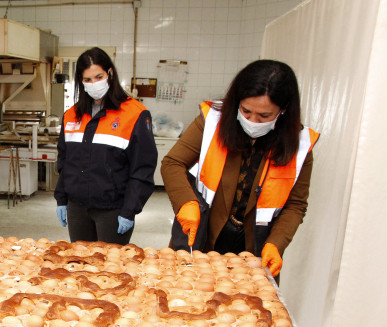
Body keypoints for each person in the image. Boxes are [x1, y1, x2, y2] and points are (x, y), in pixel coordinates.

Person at [161, 60, 320, 277]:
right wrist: (186, 202)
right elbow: (172, 163)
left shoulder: (299, 145)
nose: (253, 121)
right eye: (246, 111)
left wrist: (276, 243)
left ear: (283, 111)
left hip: (255, 245)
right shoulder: (212, 122)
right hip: (205, 234)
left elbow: (296, 205)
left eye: (264, 116)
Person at [54, 47, 157, 245]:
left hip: (113, 210)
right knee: (81, 265)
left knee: (109, 270)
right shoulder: (71, 116)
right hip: (78, 208)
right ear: (80, 81)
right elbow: (65, 162)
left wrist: (129, 210)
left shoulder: (134, 114)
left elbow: (142, 169)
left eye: (98, 76)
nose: (94, 84)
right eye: (87, 80)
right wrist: (62, 198)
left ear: (110, 73)